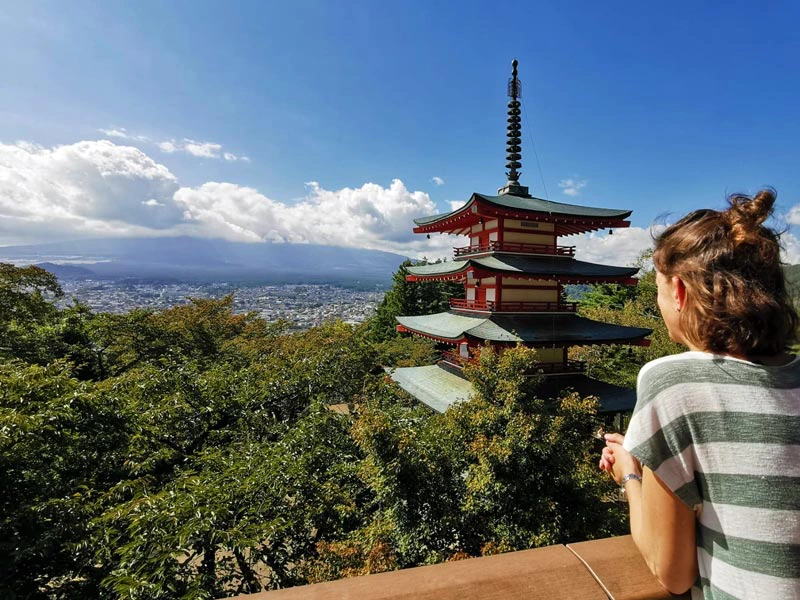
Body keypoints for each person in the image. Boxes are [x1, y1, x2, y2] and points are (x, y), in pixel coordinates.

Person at [599, 189, 800, 599]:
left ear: (679, 292)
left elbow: (671, 572)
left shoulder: (672, 384)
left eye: (656, 288)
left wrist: (630, 475)